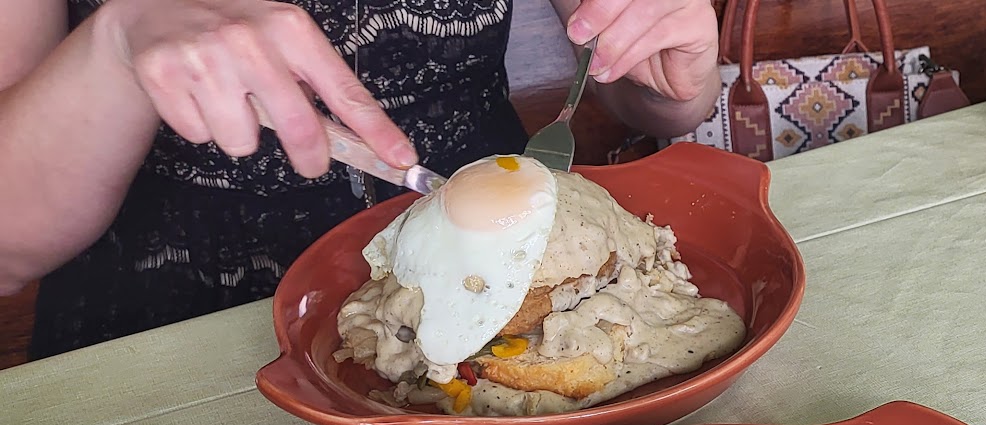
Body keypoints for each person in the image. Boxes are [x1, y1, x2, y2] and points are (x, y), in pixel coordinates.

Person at [0, 0, 723, 359]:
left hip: (520, 287)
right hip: (165, 343)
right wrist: (116, 42)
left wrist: (668, 76)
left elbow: (642, 87)